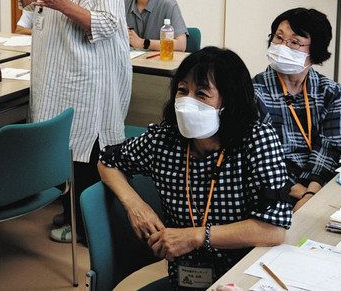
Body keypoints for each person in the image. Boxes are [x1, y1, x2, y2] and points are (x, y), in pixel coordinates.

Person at [99, 47, 292, 290]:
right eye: (182, 91)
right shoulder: (164, 140)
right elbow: (107, 161)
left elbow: (273, 230)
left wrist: (196, 236)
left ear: (228, 102)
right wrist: (135, 205)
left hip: (243, 277)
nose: (187, 102)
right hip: (185, 279)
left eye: (201, 94)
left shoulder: (257, 140)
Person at [17, 0, 132, 243]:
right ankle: (72, 213)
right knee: (65, 148)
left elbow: (108, 23)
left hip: (86, 78)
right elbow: (29, 3)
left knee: (86, 152)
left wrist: (65, 5)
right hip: (57, 73)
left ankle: (86, 228)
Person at [253, 8, 341, 212]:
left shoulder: (330, 92)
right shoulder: (254, 92)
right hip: (273, 189)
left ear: (315, 51)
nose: (282, 46)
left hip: (318, 186)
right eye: (278, 38)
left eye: (294, 42)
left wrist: (311, 193)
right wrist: (301, 193)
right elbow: (260, 158)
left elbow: (332, 149)